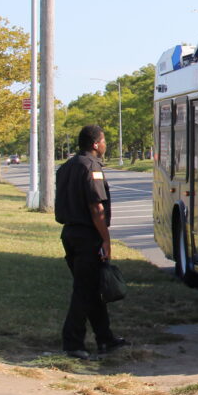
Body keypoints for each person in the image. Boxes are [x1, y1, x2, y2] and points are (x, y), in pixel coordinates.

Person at [54, 124, 127, 360]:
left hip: (70, 234)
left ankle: (105, 338)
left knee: (93, 290)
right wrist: (106, 240)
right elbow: (96, 207)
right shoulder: (92, 167)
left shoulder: (67, 166)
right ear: (96, 144)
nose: (106, 144)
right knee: (84, 291)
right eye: (104, 140)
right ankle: (72, 342)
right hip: (87, 236)